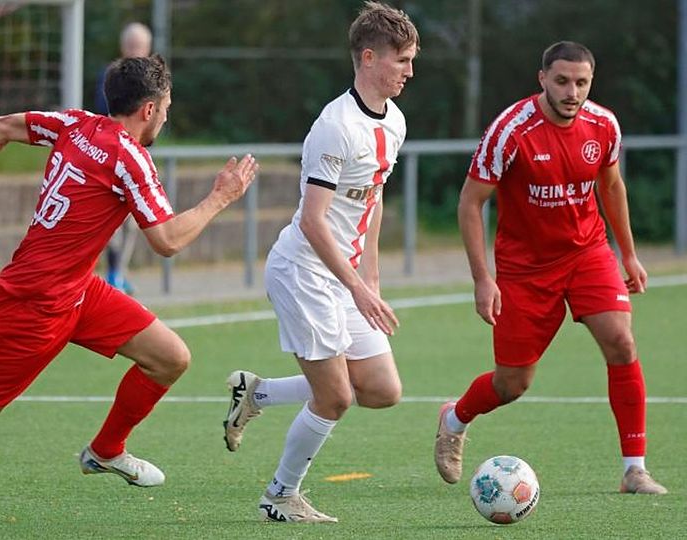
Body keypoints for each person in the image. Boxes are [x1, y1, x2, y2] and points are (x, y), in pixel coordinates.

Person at [0, 54, 257, 501]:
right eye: (167, 108)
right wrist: (220, 197)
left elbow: (1, 125)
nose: (166, 118)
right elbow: (167, 240)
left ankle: (105, 450)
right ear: (149, 110)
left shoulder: (76, 125)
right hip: (34, 302)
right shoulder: (130, 159)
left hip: (76, 290)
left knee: (170, 357)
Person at [434, 41, 667, 495]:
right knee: (512, 383)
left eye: (581, 82)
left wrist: (629, 253)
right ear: (542, 78)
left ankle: (634, 469)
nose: (572, 92)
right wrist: (484, 279)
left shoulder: (604, 125)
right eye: (562, 81)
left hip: (588, 252)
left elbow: (612, 186)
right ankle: (454, 417)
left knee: (621, 341)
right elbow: (470, 202)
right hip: (524, 269)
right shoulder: (511, 130)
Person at [222, 1, 417, 523]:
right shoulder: (334, 126)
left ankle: (257, 393)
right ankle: (280, 496)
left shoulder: (394, 121)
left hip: (346, 277)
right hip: (306, 272)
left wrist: (370, 279)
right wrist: (356, 286)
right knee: (335, 397)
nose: (409, 71)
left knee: (381, 389)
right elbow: (313, 220)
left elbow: (370, 201)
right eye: (402, 60)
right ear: (369, 57)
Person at [93, 22, 154, 292]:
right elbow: (103, 112)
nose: (135, 50)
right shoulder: (111, 76)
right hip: (112, 159)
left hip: (138, 161)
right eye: (131, 46)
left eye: (139, 46)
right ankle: (111, 274)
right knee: (111, 221)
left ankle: (119, 272)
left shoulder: (155, 79)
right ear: (123, 47)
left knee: (134, 223)